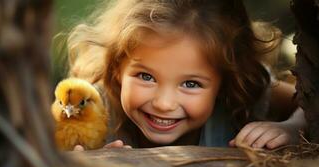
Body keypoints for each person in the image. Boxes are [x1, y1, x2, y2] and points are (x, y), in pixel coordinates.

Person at [66, 0, 306, 149]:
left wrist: (292, 128)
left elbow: (309, 102)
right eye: (146, 77)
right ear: (117, 67)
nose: (163, 103)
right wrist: (85, 161)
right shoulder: (90, 107)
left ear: (226, 82)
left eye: (190, 83)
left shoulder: (246, 90)